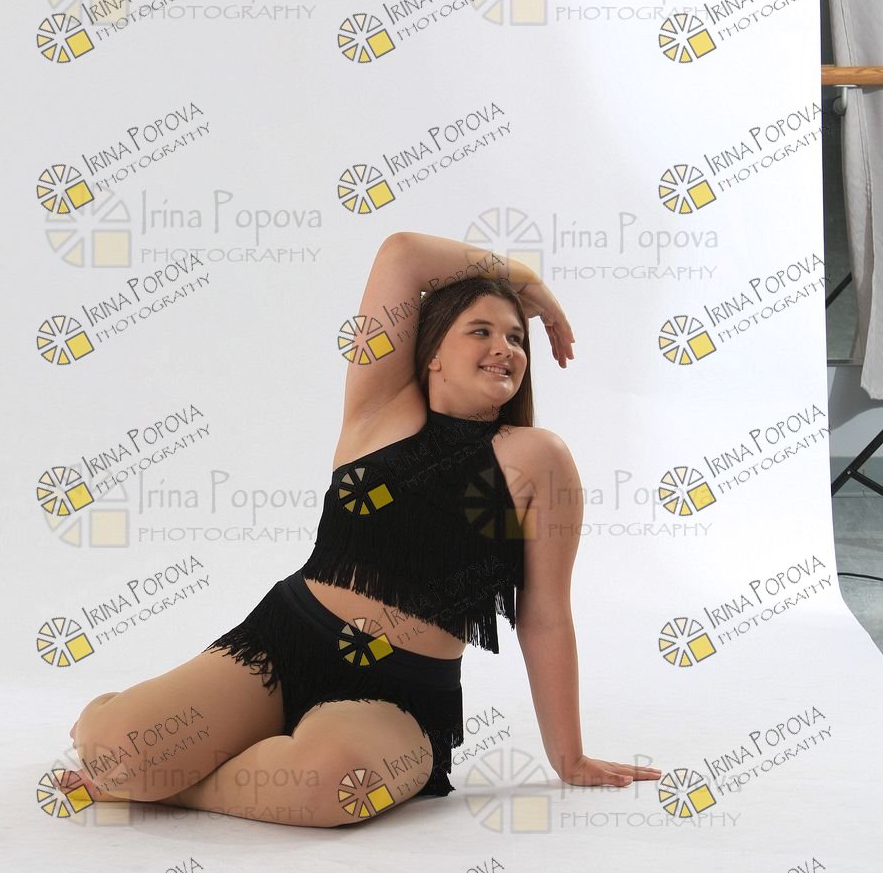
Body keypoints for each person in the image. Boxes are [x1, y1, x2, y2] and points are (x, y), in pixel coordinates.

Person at [55, 231, 661, 826]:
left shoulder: (538, 458)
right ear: (432, 353)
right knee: (116, 753)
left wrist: (569, 756)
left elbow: (544, 614)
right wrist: (526, 283)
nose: (505, 347)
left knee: (337, 788)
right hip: (284, 643)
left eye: (515, 337)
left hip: (399, 696)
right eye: (481, 331)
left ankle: (164, 785)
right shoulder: (380, 410)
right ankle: (135, 751)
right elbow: (403, 254)